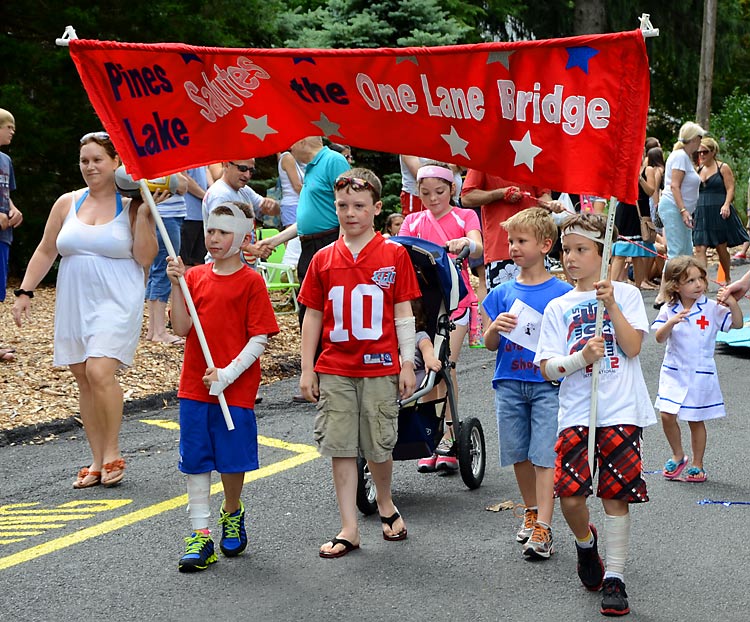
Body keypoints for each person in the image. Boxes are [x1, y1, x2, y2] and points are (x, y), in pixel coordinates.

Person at [12, 131, 157, 488]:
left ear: (116, 163)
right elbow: (47, 250)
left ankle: (112, 452)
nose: (90, 167)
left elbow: (145, 258)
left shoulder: (134, 205)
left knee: (100, 370)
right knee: (82, 374)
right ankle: (95, 459)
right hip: (75, 299)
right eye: (84, 161)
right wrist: (25, 290)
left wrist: (144, 214)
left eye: (97, 160)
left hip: (117, 297)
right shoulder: (67, 202)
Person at [534, 213, 655, 617]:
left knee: (614, 494)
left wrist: (612, 306)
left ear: (602, 255)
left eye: (581, 250)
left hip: (620, 409)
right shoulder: (558, 306)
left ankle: (615, 577)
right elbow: (547, 367)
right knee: (570, 496)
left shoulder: (627, 294)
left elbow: (633, 346)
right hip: (575, 412)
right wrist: (578, 358)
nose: (570, 258)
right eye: (567, 250)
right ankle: (586, 545)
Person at [297, 168, 421, 558]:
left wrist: (406, 361)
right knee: (340, 447)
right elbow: (313, 315)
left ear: (376, 208)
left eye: (359, 206)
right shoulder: (323, 259)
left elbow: (403, 312)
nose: (350, 213)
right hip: (335, 366)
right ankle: (349, 526)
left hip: (379, 365)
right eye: (343, 205)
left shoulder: (393, 254)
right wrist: (307, 367)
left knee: (379, 445)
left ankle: (385, 501)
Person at [166, 201, 279, 572]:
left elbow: (260, 336)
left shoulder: (251, 281)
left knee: (232, 458)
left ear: (244, 236)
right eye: (211, 230)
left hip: (235, 388)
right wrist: (176, 286)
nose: (213, 238)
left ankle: (232, 510)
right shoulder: (194, 276)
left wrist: (228, 374)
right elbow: (182, 327)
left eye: (223, 232)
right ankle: (200, 534)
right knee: (196, 459)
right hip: (194, 387)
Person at [482, 208, 572, 559]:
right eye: (510, 241)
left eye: (522, 241)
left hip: (547, 384)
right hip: (508, 381)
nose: (513, 247)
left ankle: (544, 528)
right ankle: (531, 510)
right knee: (518, 452)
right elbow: (489, 344)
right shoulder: (502, 292)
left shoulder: (562, 292)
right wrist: (493, 329)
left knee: (545, 454)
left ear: (545, 245)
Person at [399, 163, 483, 472]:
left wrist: (467, 244)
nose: (432, 198)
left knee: (445, 367)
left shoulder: (464, 216)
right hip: (422, 305)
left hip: (455, 302)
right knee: (426, 371)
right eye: (425, 193)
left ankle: (449, 435)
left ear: (452, 190)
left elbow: (478, 244)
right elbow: (400, 251)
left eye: (439, 192)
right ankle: (428, 437)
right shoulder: (413, 221)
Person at [652, 256, 742, 484]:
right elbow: (659, 338)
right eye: (690, 281)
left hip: (700, 373)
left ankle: (697, 464)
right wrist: (671, 322)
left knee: (695, 419)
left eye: (700, 278)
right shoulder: (669, 308)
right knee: (666, 414)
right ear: (675, 286)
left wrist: (732, 304)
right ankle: (677, 454)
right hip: (673, 371)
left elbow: (737, 324)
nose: (698, 284)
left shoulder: (711, 308)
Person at [461, 169, 563, 299]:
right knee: (502, 305)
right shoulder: (485, 156)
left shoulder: (533, 152)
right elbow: (467, 196)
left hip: (534, 247)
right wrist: (500, 194)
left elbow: (543, 195)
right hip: (500, 249)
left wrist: (550, 204)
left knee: (540, 300)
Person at [654, 121, 705, 307]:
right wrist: (683, 210)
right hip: (675, 208)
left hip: (681, 209)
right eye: (699, 138)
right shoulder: (680, 156)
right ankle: (663, 293)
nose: (700, 142)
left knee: (685, 251)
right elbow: (675, 185)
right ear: (693, 138)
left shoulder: (683, 156)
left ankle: (684, 289)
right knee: (676, 252)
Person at [692, 137, 748, 283]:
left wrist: (726, 204)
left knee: (720, 246)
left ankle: (727, 278)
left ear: (713, 152)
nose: (702, 155)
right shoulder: (698, 169)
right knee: (699, 247)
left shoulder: (722, 167)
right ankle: (703, 281)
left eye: (705, 152)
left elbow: (730, 188)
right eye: (699, 152)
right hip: (701, 210)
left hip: (717, 209)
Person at [145, 171, 188, 345]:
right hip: (167, 217)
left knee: (157, 271)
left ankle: (153, 329)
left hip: (162, 216)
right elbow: (182, 186)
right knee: (165, 270)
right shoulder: (162, 165)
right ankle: (159, 332)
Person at [610, 141, 660, 290]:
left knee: (638, 251)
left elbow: (651, 191)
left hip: (639, 211)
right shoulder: (623, 169)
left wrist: (639, 178)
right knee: (621, 250)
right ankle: (612, 285)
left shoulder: (648, 170)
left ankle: (639, 284)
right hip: (625, 210)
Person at [0, 108, 23, 362]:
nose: (12, 131)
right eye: (8, 126)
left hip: (4, 236)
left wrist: (13, 210)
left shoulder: (5, 161)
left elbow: (7, 195)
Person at [180, 166, 213, 267]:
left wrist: (214, 191)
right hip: (187, 215)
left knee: (200, 261)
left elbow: (206, 170)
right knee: (184, 262)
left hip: (202, 216)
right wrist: (206, 196)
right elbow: (184, 179)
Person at [277, 150, 305, 229]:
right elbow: (297, 186)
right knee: (292, 240)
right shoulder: (287, 157)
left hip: (296, 204)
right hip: (292, 204)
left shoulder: (292, 158)